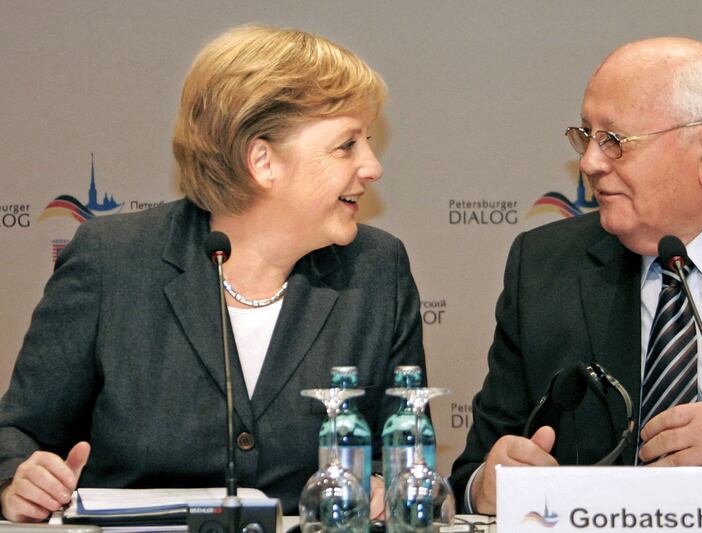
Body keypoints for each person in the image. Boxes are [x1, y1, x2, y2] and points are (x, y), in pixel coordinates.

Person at [0, 24, 425, 521]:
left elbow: (406, 446)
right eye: (346, 145)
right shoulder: (111, 260)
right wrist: (16, 478)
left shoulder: (377, 270)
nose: (372, 166)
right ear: (262, 161)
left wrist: (381, 483)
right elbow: (18, 434)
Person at [450, 37, 702, 514]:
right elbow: (474, 475)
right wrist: (486, 487)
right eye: (586, 135)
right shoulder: (544, 266)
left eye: (615, 141)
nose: (590, 163)